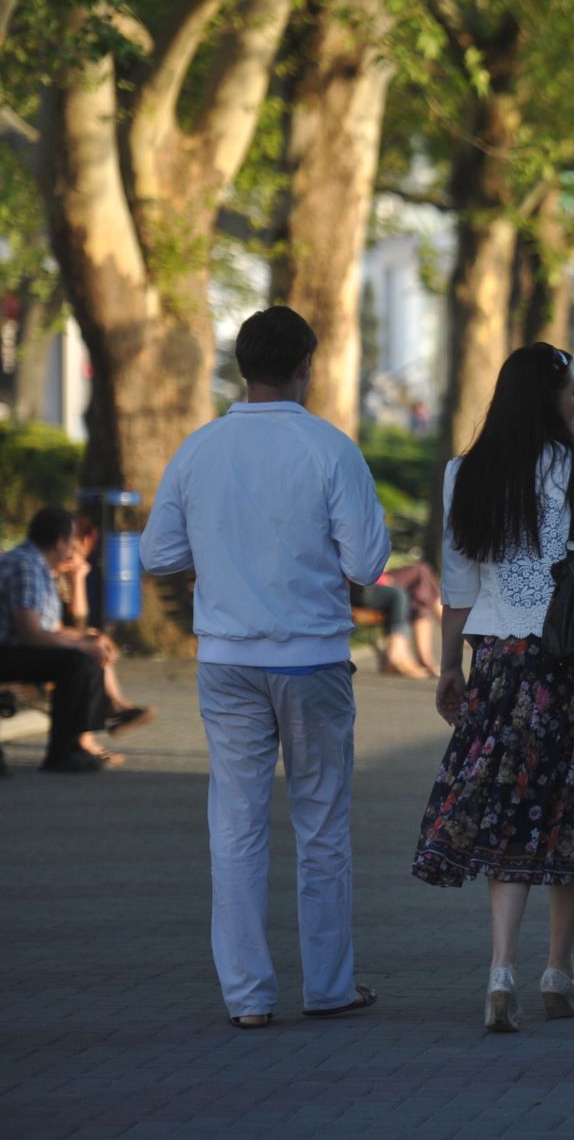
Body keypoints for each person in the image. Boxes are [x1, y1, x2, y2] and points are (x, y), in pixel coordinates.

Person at [414, 342, 574, 1034]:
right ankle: (557, 972)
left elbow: (460, 582)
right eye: (573, 389)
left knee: (510, 812)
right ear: (546, 396)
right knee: (572, 812)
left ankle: (502, 972)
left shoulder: (466, 472)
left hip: (502, 662)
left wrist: (450, 665)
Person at [140, 306, 389, 1028]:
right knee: (320, 822)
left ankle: (248, 997)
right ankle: (329, 985)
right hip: (312, 659)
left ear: (241, 366)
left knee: (237, 822)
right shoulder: (329, 448)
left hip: (224, 660)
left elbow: (157, 555)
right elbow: (369, 563)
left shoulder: (198, 449)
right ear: (306, 366)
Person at [0, 507, 143, 771]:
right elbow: (31, 634)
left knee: (84, 656)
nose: (73, 549)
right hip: (7, 652)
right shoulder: (26, 566)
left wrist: (88, 640)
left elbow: (51, 628)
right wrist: (80, 645)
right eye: (71, 541)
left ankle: (75, 745)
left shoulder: (40, 567)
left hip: (18, 648)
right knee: (77, 662)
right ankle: (65, 750)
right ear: (60, 542)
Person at [52, 515, 154, 730]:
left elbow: (76, 622)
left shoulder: (58, 578)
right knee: (92, 648)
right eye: (73, 550)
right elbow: (61, 627)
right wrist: (77, 580)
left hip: (45, 639)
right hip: (29, 643)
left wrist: (76, 579)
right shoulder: (44, 574)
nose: (76, 557)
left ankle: (114, 708)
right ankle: (112, 711)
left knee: (94, 644)